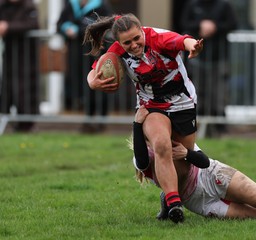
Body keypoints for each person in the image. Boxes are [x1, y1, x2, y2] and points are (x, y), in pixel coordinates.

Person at [84, 13, 204, 223]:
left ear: (142, 31)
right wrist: (92, 82)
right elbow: (94, 71)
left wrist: (193, 46)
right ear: (120, 43)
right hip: (151, 106)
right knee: (161, 145)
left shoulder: (159, 38)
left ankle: (166, 197)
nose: (133, 45)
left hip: (182, 102)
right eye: (126, 42)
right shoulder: (118, 50)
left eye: (136, 38)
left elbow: (183, 40)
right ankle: (175, 204)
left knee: (183, 163)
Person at [180, 0, 238, 136]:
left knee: (219, 95)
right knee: (197, 93)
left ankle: (219, 128)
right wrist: (200, 25)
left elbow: (233, 24)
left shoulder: (224, 5)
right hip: (197, 60)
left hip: (219, 59)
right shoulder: (192, 5)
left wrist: (215, 26)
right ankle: (195, 127)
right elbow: (183, 23)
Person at [57, 0, 111, 133]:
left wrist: (78, 30)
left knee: (100, 84)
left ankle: (101, 120)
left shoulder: (101, 6)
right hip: (77, 55)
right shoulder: (71, 5)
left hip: (97, 53)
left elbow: (106, 25)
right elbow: (59, 24)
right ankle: (88, 119)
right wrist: (65, 27)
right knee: (84, 86)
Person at [0, 0, 39, 132]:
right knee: (7, 88)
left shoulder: (29, 6)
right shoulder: (3, 5)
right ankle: (7, 120)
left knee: (25, 90)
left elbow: (33, 24)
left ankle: (26, 124)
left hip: (27, 56)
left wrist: (8, 27)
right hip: (9, 55)